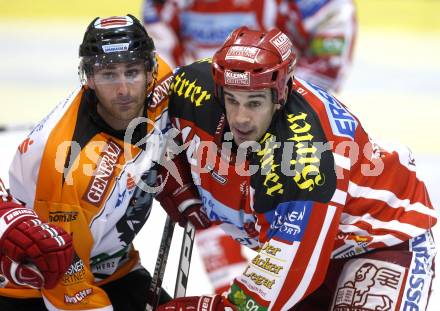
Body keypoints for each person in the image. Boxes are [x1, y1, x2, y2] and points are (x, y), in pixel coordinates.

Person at [156, 27, 438, 310]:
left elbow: (283, 276)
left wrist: (219, 307)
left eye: (255, 103)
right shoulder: (192, 87)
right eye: (232, 100)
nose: (241, 118)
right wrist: (171, 166)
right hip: (311, 248)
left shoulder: (304, 160)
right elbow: (142, 114)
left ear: (280, 94)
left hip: (381, 240)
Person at [143, 0, 357, 293]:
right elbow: (161, 63)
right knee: (210, 212)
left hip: (275, 117)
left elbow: (333, 30)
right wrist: (176, 121)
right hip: (209, 114)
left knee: (289, 234)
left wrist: (281, 106)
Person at [4, 14, 209, 311]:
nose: (124, 89)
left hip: (115, 267)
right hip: (35, 290)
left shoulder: (162, 83)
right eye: (109, 74)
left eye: (132, 72)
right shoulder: (68, 166)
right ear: (88, 78)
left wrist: (174, 168)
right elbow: (68, 291)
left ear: (150, 70)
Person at [143, 0, 357, 92]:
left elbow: (332, 37)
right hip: (201, 117)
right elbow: (161, 64)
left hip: (286, 113)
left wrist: (289, 97)